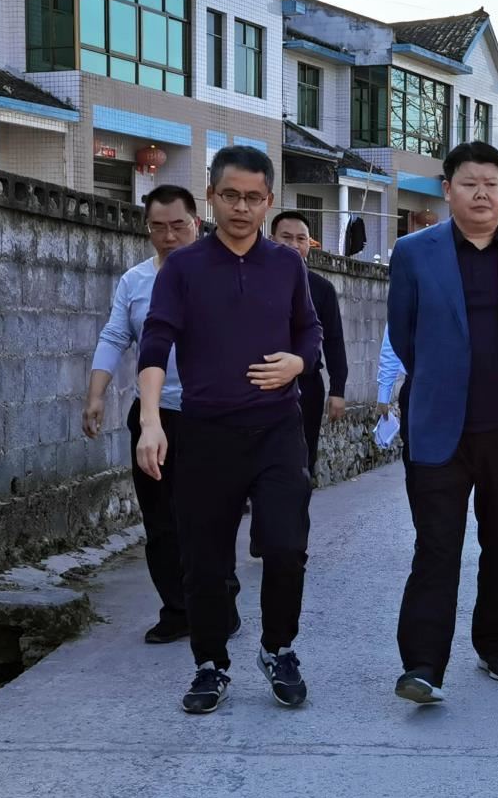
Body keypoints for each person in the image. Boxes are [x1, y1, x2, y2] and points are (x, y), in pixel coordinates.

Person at [137, 145, 321, 714]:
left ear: (269, 201)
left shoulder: (287, 264)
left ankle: (278, 648)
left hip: (277, 429)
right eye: (231, 196)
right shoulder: (184, 267)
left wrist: (298, 363)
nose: (242, 208)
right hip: (205, 433)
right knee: (205, 560)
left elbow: (309, 331)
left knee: (286, 546)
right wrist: (150, 422)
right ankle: (210, 663)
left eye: (254, 198)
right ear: (211, 197)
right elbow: (155, 342)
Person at [387, 141, 498, 706]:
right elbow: (403, 333)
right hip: (438, 426)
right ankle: (423, 665)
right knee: (436, 546)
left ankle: (494, 643)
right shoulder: (413, 252)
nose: (482, 194)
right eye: (470, 184)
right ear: (447, 190)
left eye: (492, 184)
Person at [83, 185, 239, 645]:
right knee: (161, 520)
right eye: (158, 227)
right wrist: (95, 395)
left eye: (178, 226)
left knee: (209, 518)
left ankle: (219, 603)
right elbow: (115, 337)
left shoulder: (225, 273)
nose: (169, 237)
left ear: (197, 223)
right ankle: (177, 608)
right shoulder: (135, 282)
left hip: (212, 417)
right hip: (154, 416)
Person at [270, 211, 349, 477]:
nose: (294, 244)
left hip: (307, 385)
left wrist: (337, 390)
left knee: (303, 460)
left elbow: (334, 341)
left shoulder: (322, 288)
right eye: (286, 237)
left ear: (309, 244)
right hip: (264, 383)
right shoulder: (255, 280)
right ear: (271, 239)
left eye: (301, 239)